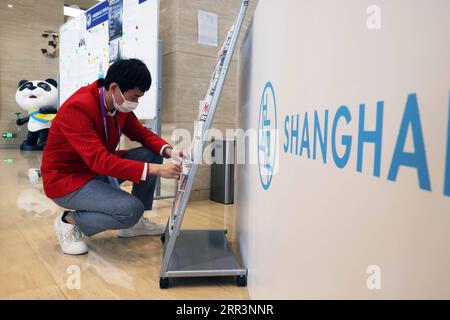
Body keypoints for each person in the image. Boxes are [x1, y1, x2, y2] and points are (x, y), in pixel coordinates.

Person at [41, 59, 183, 255]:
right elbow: (100, 161)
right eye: (135, 97)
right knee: (131, 209)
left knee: (150, 154)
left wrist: (170, 151)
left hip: (96, 171)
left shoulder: (117, 105)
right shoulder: (78, 107)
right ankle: (69, 221)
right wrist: (155, 170)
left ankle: (136, 224)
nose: (136, 102)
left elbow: (142, 134)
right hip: (68, 181)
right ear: (115, 87)